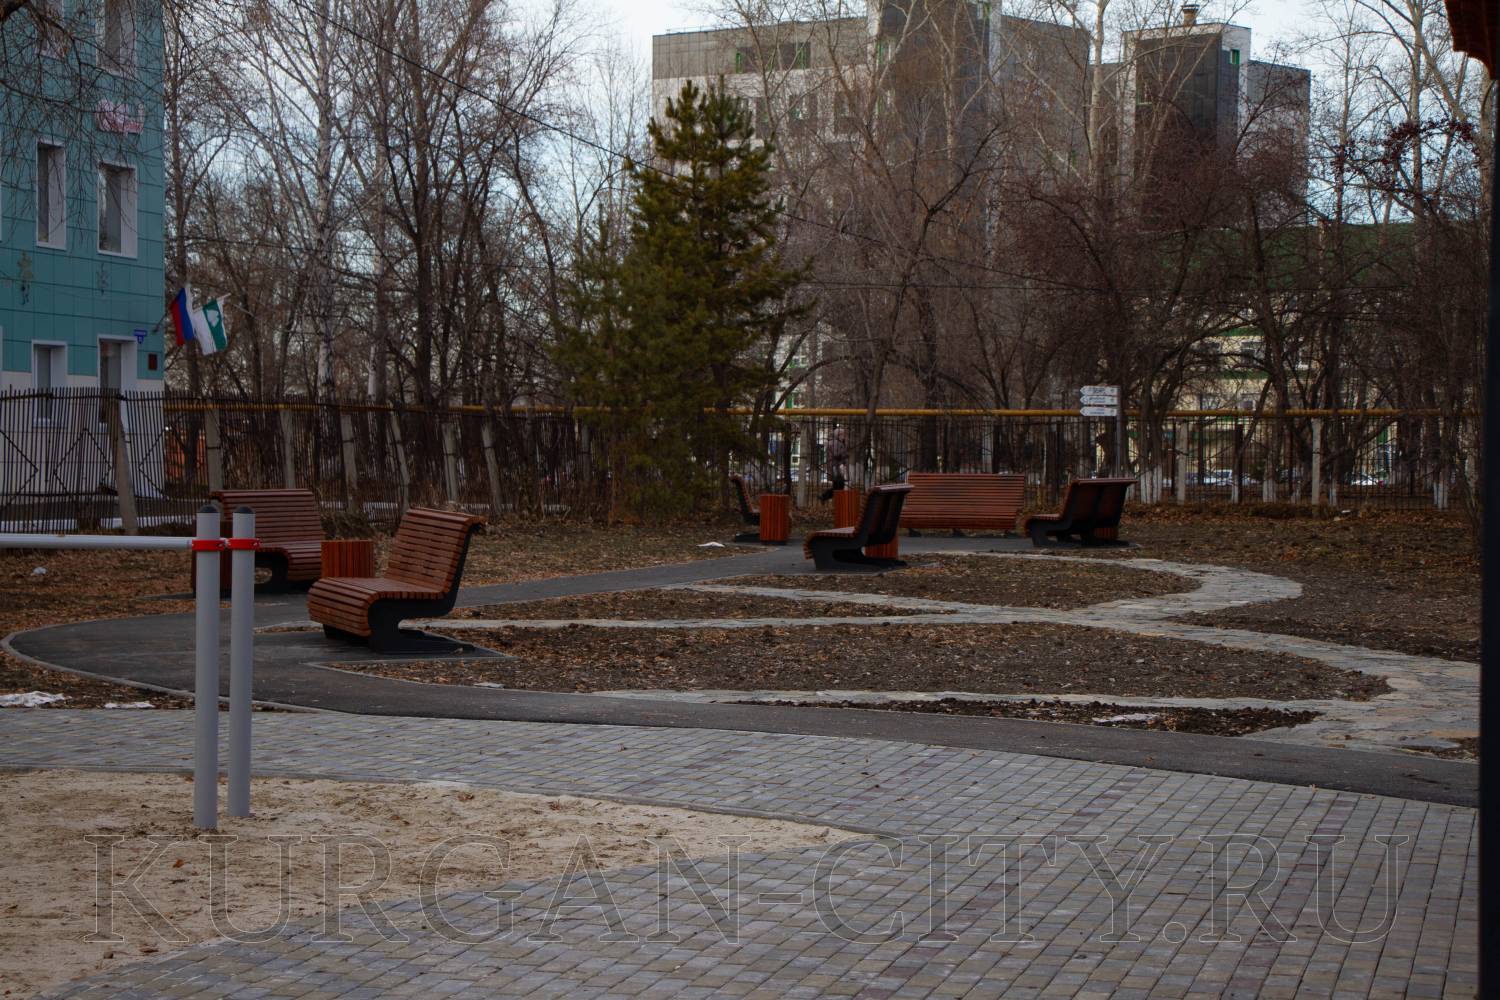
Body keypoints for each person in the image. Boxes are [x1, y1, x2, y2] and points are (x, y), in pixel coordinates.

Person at [820, 425, 849, 502]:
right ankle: (836, 500)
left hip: (833, 466)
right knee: (840, 485)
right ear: (839, 435)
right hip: (837, 467)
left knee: (837, 486)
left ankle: (824, 497)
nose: (844, 437)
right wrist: (845, 455)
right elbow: (837, 455)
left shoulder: (832, 442)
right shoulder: (837, 443)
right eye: (843, 435)